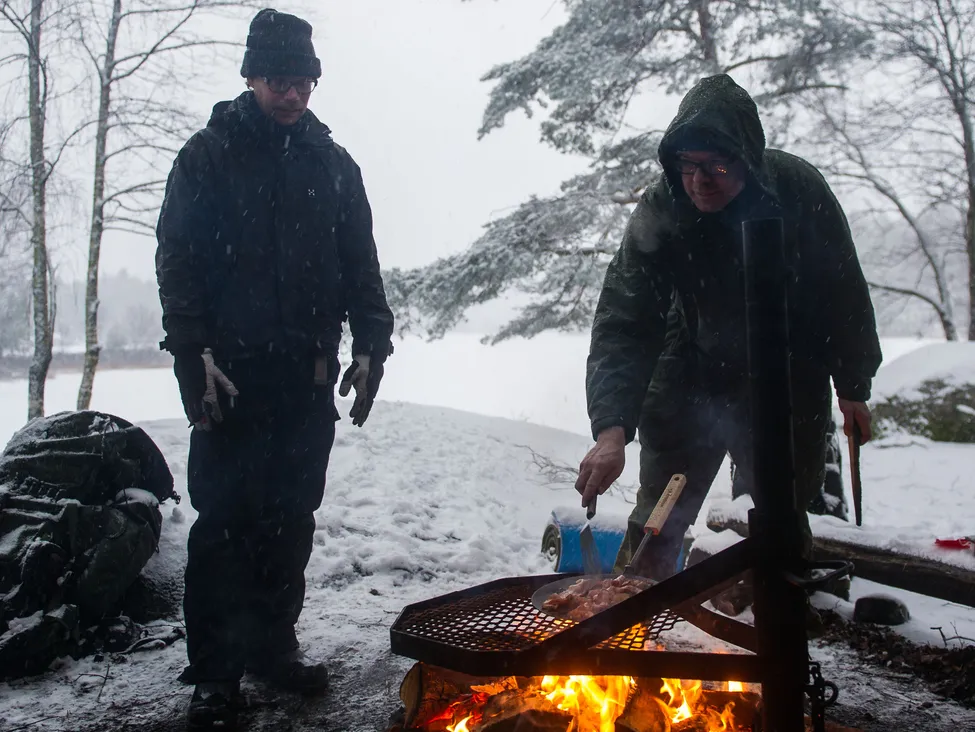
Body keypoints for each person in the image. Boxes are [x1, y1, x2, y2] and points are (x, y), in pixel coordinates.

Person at [155, 8, 394, 730]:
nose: (291, 95)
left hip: (306, 378)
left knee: (290, 520)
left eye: (303, 82)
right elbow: (179, 263)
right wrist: (191, 354)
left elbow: (361, 265)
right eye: (278, 80)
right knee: (225, 523)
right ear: (251, 77)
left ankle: (270, 648)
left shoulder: (332, 164)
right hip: (230, 380)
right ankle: (218, 673)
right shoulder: (208, 156)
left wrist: (372, 344)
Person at [576, 74, 881, 583]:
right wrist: (611, 430)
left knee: (782, 507)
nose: (701, 180)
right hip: (690, 363)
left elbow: (842, 290)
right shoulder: (663, 208)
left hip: (787, 365)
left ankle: (786, 620)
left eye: (717, 165)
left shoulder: (797, 190)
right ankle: (630, 615)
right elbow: (625, 320)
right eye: (688, 165)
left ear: (747, 159)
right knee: (660, 511)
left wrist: (852, 385)